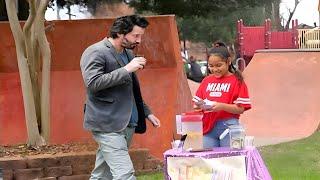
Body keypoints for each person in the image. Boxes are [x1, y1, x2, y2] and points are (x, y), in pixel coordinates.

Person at [80, 15, 161, 180]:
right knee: (125, 174)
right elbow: (93, 83)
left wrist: (146, 112)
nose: (139, 40)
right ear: (120, 33)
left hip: (127, 123)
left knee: (102, 175)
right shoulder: (95, 51)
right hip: (107, 124)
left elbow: (132, 89)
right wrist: (126, 69)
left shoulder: (128, 53)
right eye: (135, 36)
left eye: (141, 36)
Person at [193, 46, 251, 148]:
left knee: (231, 160)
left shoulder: (237, 81)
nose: (214, 69)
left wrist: (221, 106)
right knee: (208, 161)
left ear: (228, 61)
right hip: (207, 128)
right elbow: (196, 105)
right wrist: (199, 106)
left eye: (218, 65)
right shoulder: (206, 81)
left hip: (230, 128)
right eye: (211, 66)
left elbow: (240, 109)